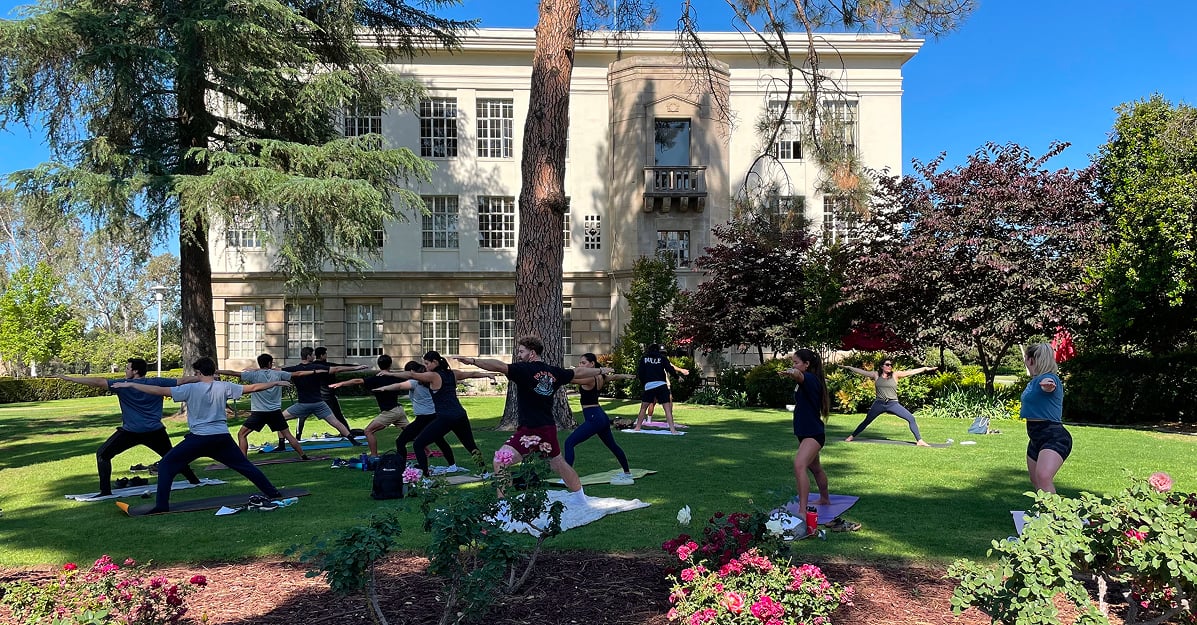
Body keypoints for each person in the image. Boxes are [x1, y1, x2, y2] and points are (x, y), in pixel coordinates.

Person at [111, 357, 291, 514]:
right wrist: (274, 383)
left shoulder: (190, 389)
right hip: (221, 438)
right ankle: (273, 493)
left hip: (199, 439)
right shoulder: (224, 386)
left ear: (198, 372)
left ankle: (161, 505)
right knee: (245, 467)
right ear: (212, 371)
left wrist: (133, 384)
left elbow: (160, 391)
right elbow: (252, 388)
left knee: (166, 465)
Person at [462, 336, 611, 498]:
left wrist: (472, 360)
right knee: (558, 463)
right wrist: (600, 371)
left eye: (521, 351)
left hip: (530, 431)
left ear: (531, 353)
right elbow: (577, 372)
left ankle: (503, 507)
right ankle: (580, 498)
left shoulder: (524, 370)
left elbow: (499, 366)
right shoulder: (553, 371)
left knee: (500, 461)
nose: (518, 355)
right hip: (547, 429)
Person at [57, 359, 203, 497]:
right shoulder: (157, 382)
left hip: (132, 432)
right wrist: (206, 377)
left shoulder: (123, 384)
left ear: (135, 371)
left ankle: (105, 491)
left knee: (103, 455)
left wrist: (70, 379)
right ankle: (194, 480)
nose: (125, 370)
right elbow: (183, 380)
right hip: (154, 431)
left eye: (127, 368)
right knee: (172, 457)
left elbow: (98, 381)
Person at [378, 351, 496, 477]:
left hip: (446, 417)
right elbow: (471, 373)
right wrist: (487, 374)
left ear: (435, 362)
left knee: (418, 444)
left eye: (427, 363)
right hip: (460, 415)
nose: (426, 366)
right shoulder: (453, 373)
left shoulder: (434, 376)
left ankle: (426, 478)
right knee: (470, 445)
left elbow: (411, 374)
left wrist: (390, 373)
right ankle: (485, 473)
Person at [777, 349, 836, 533]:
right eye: (793, 362)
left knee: (799, 465)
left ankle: (802, 511)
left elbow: (797, 375)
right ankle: (824, 498)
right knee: (815, 468)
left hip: (813, 435)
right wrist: (793, 371)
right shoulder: (810, 380)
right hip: (806, 433)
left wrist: (791, 372)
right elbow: (797, 375)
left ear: (806, 364)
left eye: (796, 362)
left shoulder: (809, 379)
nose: (794, 365)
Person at [217, 353, 316, 459]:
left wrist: (216, 371)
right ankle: (303, 455)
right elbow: (298, 373)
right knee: (287, 434)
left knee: (242, 434)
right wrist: (315, 371)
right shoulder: (278, 374)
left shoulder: (254, 375)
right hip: (275, 412)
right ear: (269, 363)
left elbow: (232, 373)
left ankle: (244, 461)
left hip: (259, 413)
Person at [367, 360, 460, 472]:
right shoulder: (430, 380)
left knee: (402, 441)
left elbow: (399, 386)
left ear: (411, 372)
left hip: (423, 419)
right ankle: (452, 465)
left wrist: (384, 388)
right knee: (439, 440)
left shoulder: (415, 382)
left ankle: (406, 468)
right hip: (434, 416)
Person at [562, 353, 637, 485]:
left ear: (592, 364)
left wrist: (557, 375)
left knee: (569, 443)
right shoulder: (600, 377)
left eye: (583, 363)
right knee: (612, 446)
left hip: (594, 417)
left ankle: (567, 479)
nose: (581, 365)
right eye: (580, 363)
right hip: (600, 415)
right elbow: (614, 377)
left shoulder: (590, 379)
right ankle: (626, 472)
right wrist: (625, 376)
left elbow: (571, 379)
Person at [841, 359, 938, 446]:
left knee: (911, 418)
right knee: (867, 421)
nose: (889, 366)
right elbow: (862, 372)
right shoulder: (876, 375)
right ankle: (852, 436)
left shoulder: (895, 375)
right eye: (887, 365)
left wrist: (924, 368)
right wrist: (849, 367)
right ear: (882, 366)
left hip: (893, 404)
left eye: (891, 365)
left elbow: (910, 372)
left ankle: (919, 441)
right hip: (879, 404)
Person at [282, 347, 367, 445]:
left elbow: (277, 370)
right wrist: (356, 367)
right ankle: (353, 441)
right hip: (318, 403)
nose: (314, 357)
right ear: (308, 356)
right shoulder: (317, 367)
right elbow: (337, 369)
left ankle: (283, 443)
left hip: (304, 404)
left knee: (280, 419)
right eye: (312, 355)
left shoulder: (295, 368)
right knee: (336, 422)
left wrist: (264, 370)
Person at [1021, 342, 1069, 494]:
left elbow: (1050, 384)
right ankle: (1044, 514)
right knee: (1036, 480)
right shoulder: (1034, 381)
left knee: (1043, 477)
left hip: (1053, 436)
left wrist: (1048, 386)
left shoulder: (1049, 378)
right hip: (1036, 436)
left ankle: (1058, 517)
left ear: (1030, 360)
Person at [632, 343, 689, 435]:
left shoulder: (644, 359)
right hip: (662, 385)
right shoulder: (662, 358)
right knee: (667, 409)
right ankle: (673, 430)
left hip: (649, 386)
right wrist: (677, 377)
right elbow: (670, 369)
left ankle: (638, 427)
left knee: (643, 408)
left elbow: (641, 373)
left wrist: (644, 384)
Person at [310, 346, 353, 437]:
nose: (326, 356)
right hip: (327, 396)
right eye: (325, 354)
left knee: (303, 415)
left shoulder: (312, 366)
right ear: (322, 355)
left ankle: (346, 432)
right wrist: (357, 367)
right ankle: (347, 432)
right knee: (336, 416)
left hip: (318, 396)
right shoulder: (327, 366)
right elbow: (341, 367)